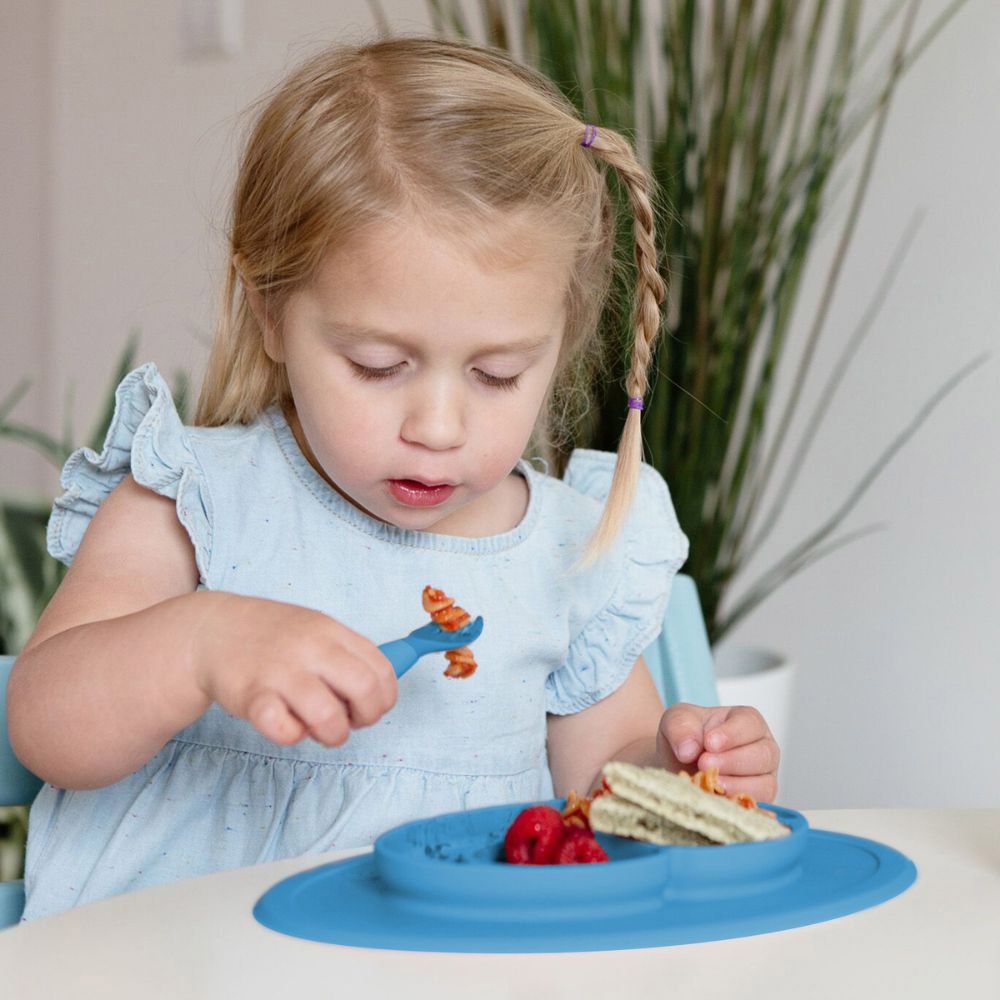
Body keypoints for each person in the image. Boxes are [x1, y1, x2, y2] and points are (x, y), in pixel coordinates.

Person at [8, 36, 779, 921]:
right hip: (186, 963)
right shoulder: (194, 504)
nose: (438, 428)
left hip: (458, 963)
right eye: (378, 365)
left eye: (497, 376)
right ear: (270, 313)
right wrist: (195, 644)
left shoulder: (567, 550)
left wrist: (674, 774)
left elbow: (603, 789)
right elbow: (44, 726)